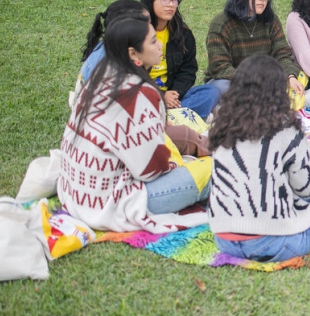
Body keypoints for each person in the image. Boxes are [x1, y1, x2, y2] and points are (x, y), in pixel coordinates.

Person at [58, 17, 211, 233]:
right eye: (152, 42)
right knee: (215, 168)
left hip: (75, 193)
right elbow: (151, 170)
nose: (160, 45)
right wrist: (178, 163)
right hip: (116, 204)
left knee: (178, 139)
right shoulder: (141, 93)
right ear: (132, 54)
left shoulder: (99, 79)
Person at [210, 54, 310, 262]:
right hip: (277, 242)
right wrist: (304, 155)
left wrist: (302, 152)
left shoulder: (221, 122)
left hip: (225, 239)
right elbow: (309, 189)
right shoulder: (284, 127)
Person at [205, 0, 305, 104]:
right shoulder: (221, 23)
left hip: (265, 80)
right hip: (234, 81)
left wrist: (290, 76)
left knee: (290, 84)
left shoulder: (271, 20)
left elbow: (282, 54)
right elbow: (220, 67)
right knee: (218, 88)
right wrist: (253, 82)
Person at [140, 0, 221, 119]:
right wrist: (161, 95)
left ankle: (168, 117)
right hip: (144, 96)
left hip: (174, 98)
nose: (170, 4)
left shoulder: (183, 34)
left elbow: (188, 70)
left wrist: (174, 94)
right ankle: (182, 118)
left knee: (211, 92)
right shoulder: (137, 33)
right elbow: (129, 76)